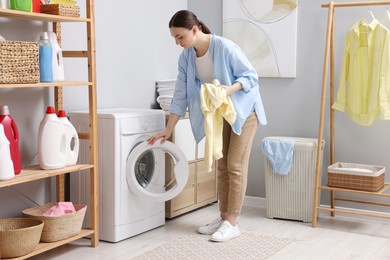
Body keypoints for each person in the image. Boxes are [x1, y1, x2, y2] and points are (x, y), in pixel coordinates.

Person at [148, 10, 267, 242]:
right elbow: (180, 95)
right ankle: (223, 217)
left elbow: (251, 77)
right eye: (174, 37)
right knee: (221, 165)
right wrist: (168, 129)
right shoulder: (186, 57)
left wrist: (228, 89)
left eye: (180, 37)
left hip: (244, 111)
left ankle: (232, 223)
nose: (177, 42)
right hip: (220, 113)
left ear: (195, 30)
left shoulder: (224, 47)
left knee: (235, 165)